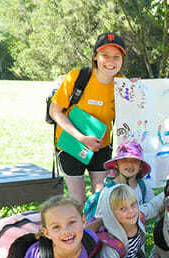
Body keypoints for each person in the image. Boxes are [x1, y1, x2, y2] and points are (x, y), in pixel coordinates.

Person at [50, 32, 126, 205]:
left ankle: (93, 232)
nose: (111, 61)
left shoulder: (123, 84)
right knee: (77, 200)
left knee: (100, 200)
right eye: (104, 55)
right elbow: (55, 112)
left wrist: (138, 89)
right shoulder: (76, 77)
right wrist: (82, 138)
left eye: (116, 56)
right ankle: (77, 232)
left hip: (101, 146)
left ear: (122, 60)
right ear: (95, 57)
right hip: (72, 144)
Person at [83, 141, 155, 223]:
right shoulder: (108, 190)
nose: (129, 164)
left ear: (140, 166)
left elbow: (152, 209)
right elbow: (100, 219)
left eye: (135, 160)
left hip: (137, 233)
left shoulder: (143, 187)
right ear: (116, 164)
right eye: (124, 160)